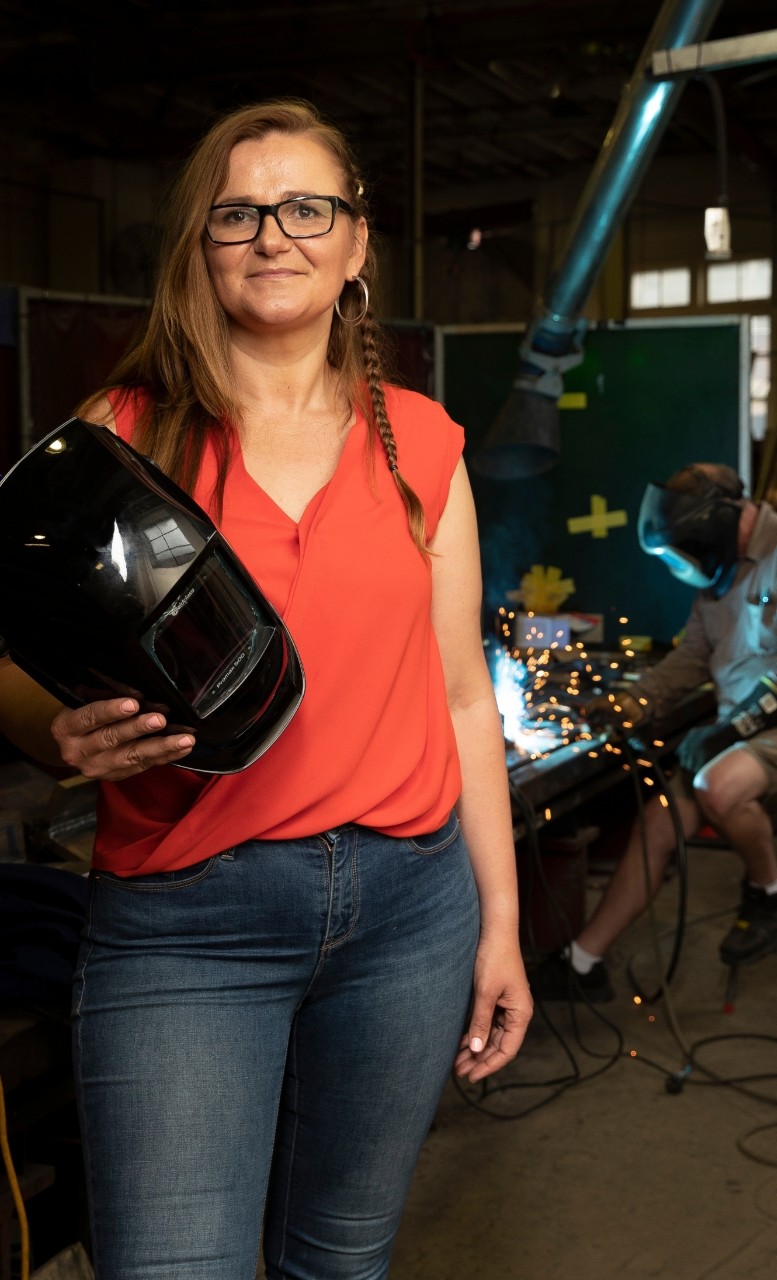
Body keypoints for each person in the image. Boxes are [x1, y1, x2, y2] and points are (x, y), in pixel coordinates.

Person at [0, 98, 533, 1278]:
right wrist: (60, 729)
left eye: (306, 208)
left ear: (355, 244)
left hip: (408, 914)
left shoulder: (421, 443)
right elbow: (13, 673)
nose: (273, 235)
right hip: (188, 924)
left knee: (337, 1260)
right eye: (238, 213)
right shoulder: (122, 433)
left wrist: (498, 922)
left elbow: (462, 697)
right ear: (200, 244)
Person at [539, 461, 777, 1004]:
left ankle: (770, 888)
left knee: (715, 785)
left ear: (713, 525)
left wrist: (728, 733)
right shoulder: (719, 573)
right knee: (658, 820)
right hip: (748, 728)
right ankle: (583, 963)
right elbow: (693, 656)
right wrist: (635, 700)